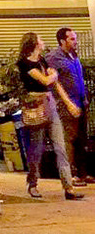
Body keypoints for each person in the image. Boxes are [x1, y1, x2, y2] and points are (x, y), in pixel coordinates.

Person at [16, 32, 83, 200]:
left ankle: (68, 187)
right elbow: (45, 81)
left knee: (60, 146)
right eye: (40, 39)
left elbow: (55, 84)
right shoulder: (24, 63)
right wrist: (53, 75)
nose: (43, 41)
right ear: (34, 43)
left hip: (49, 103)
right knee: (36, 148)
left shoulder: (42, 61)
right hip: (35, 107)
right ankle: (33, 183)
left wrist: (68, 103)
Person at [47, 27, 92, 185]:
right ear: (62, 41)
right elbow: (54, 83)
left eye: (75, 38)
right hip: (66, 105)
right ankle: (70, 175)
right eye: (72, 39)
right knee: (69, 139)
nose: (75, 41)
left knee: (81, 140)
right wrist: (67, 103)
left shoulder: (74, 55)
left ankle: (82, 173)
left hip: (80, 102)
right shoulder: (53, 58)